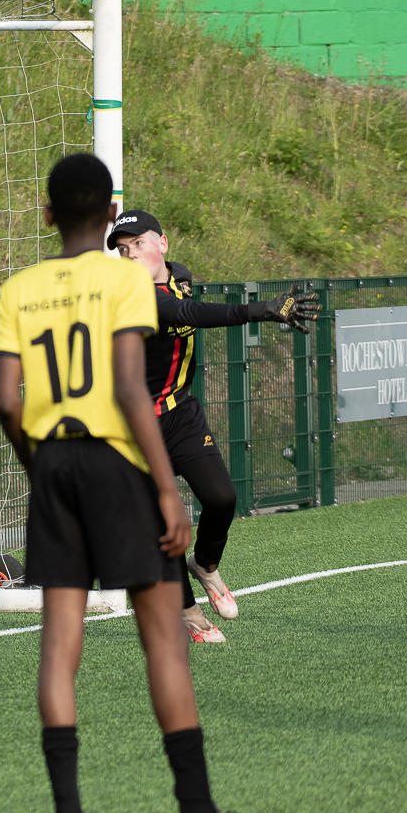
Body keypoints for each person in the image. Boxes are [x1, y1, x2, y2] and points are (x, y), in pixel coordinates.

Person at [0, 153, 269, 813]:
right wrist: (164, 489)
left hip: (53, 465)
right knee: (164, 642)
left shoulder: (19, 288)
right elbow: (126, 387)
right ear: (111, 214)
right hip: (118, 464)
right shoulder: (124, 281)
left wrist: (39, 468)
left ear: (48, 214)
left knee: (59, 646)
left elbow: (7, 402)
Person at [109, 211, 320, 642]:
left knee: (222, 498)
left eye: (138, 244)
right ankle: (188, 612)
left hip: (181, 413)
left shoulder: (180, 276)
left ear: (163, 244)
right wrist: (261, 310)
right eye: (123, 250)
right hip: (136, 427)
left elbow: (185, 299)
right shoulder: (139, 297)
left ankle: (204, 565)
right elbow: (191, 312)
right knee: (163, 524)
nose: (131, 255)